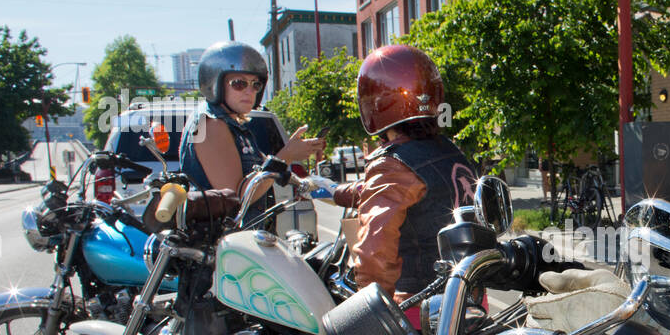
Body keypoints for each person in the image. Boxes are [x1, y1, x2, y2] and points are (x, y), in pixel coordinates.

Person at [326, 44, 478, 302]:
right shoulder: (450, 151)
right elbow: (417, 197)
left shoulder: (392, 164)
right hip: (468, 295)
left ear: (374, 102)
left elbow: (375, 252)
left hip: (420, 306)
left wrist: (372, 310)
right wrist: (336, 191)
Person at [178, 41, 323, 204]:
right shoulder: (210, 124)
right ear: (214, 83)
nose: (249, 91)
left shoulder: (233, 125)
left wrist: (313, 182)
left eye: (256, 84)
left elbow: (263, 171)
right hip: (228, 229)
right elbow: (238, 197)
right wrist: (287, 155)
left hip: (249, 228)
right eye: (239, 83)